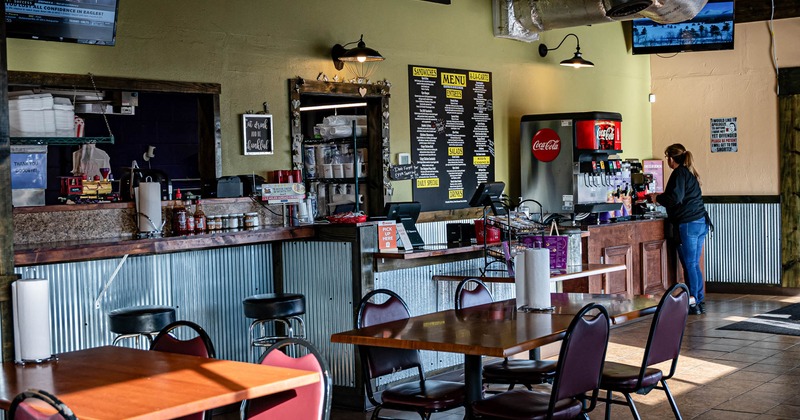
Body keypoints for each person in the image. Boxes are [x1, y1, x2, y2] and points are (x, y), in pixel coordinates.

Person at [650, 143, 712, 315]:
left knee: (690, 264)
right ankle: (699, 300)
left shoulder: (678, 174)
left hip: (689, 224)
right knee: (693, 264)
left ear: (671, 159)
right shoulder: (689, 173)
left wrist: (657, 198)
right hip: (700, 222)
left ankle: (693, 303)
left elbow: (675, 198)